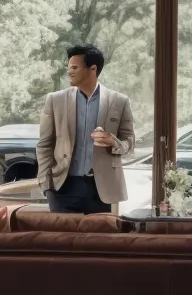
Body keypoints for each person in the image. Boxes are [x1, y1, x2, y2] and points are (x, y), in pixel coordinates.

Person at [36, 44, 137, 214]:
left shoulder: (119, 101)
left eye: (74, 67)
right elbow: (44, 145)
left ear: (93, 69)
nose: (69, 72)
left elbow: (130, 143)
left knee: (99, 240)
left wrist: (114, 142)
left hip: (103, 191)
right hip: (62, 188)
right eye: (68, 67)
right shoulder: (55, 101)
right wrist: (46, 185)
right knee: (61, 240)